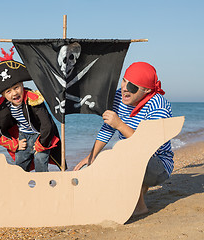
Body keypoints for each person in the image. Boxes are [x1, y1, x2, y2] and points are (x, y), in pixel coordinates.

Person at [73, 62, 173, 216]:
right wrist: (91, 155)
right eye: (124, 80)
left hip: (159, 165)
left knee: (126, 154)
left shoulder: (158, 106)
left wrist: (119, 124)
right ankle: (134, 191)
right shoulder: (119, 96)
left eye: (133, 86)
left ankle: (139, 207)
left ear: (146, 90)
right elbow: (108, 128)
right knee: (98, 163)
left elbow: (147, 145)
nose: (125, 88)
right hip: (135, 156)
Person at [0, 47, 62, 172]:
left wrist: (41, 144)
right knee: (19, 168)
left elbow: (47, 124)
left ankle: (44, 189)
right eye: (8, 91)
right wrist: (15, 144)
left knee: (40, 161)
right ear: (3, 95)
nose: (14, 93)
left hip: (40, 136)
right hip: (22, 138)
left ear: (22, 85)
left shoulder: (33, 99)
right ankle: (19, 190)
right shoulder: (3, 107)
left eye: (16, 87)